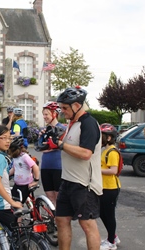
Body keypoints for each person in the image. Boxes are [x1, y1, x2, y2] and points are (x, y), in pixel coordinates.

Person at [54, 86, 103, 250]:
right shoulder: (72, 123)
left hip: (84, 184)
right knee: (61, 220)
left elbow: (85, 153)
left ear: (77, 106)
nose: (62, 111)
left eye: (65, 108)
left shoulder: (89, 124)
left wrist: (61, 145)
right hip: (67, 181)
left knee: (87, 224)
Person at [40, 101, 66, 207]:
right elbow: (40, 148)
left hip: (58, 166)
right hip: (45, 166)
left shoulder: (63, 129)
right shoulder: (45, 129)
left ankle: (59, 221)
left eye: (46, 114)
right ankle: (53, 220)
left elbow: (64, 146)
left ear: (54, 114)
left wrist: (51, 146)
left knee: (59, 197)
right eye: (43, 114)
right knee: (50, 198)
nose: (44, 117)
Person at [99, 123, 121, 250]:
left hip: (111, 188)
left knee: (109, 215)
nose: (100, 138)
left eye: (102, 136)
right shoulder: (105, 150)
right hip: (104, 187)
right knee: (102, 213)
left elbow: (113, 170)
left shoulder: (112, 152)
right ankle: (113, 236)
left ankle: (111, 242)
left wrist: (97, 169)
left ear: (108, 137)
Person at [8, 136, 40, 204]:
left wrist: (36, 180)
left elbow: (35, 167)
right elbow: (14, 169)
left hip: (25, 185)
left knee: (18, 203)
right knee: (12, 199)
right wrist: (5, 175)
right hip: (17, 184)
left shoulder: (24, 156)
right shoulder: (15, 157)